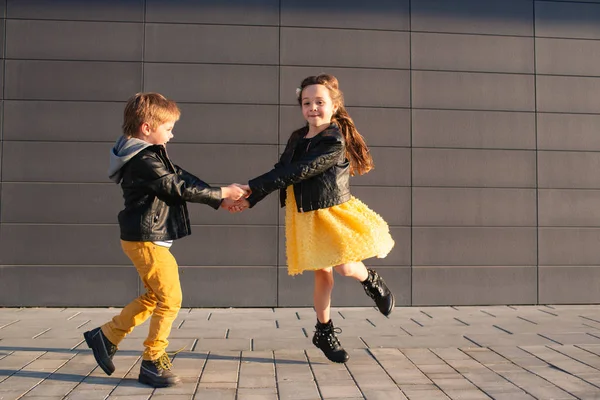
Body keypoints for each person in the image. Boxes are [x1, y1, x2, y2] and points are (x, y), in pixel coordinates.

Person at [83, 92, 247, 388]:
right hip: (145, 240)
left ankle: (106, 336)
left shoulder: (147, 153)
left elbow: (181, 176)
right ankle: (152, 361)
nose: (172, 134)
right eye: (168, 128)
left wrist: (217, 197)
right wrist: (221, 193)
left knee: (153, 297)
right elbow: (175, 187)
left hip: (145, 238)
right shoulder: (143, 158)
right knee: (171, 300)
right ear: (147, 127)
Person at [231, 74, 396, 363]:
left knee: (345, 266)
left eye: (320, 102)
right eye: (306, 103)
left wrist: (252, 186)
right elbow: (283, 169)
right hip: (305, 214)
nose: (313, 108)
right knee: (323, 274)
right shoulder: (297, 137)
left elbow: (298, 172)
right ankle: (324, 331)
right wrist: (250, 198)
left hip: (331, 211)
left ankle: (371, 280)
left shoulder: (333, 140)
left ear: (334, 106)